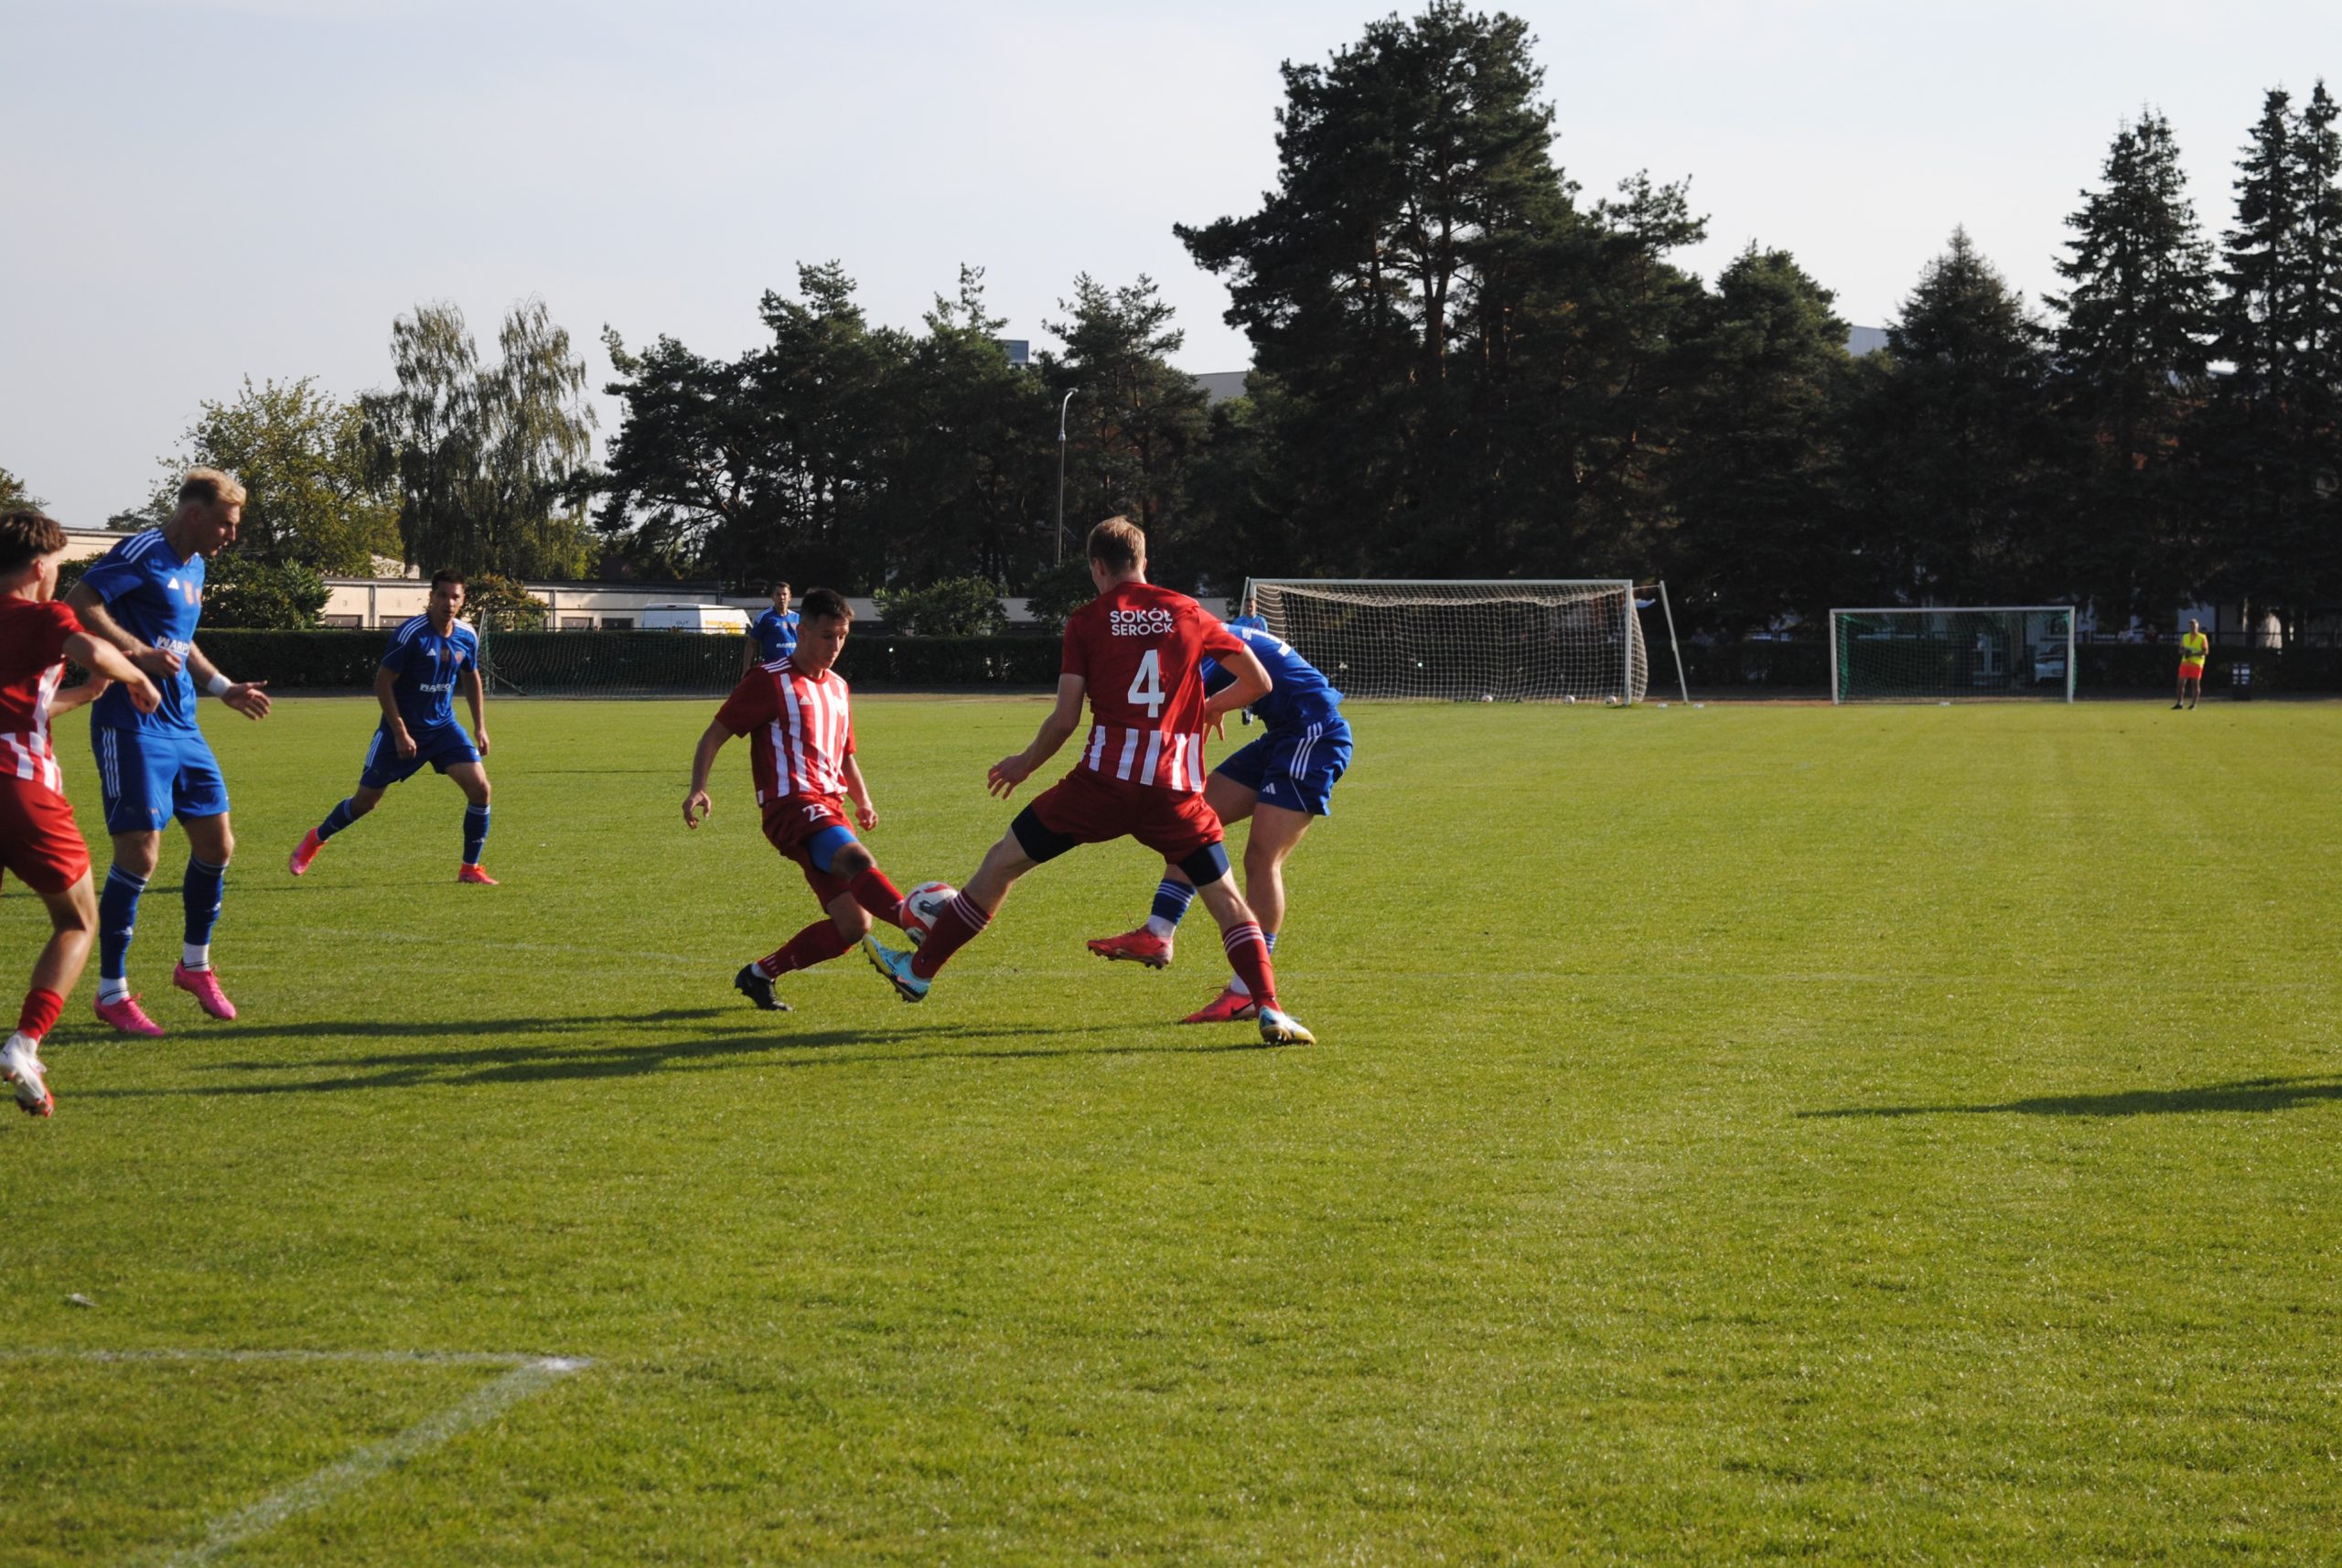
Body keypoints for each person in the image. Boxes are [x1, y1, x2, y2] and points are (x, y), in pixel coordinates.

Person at [861, 518, 1316, 1047]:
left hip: (1100, 787)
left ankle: (919, 970)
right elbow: (1258, 681)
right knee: (1227, 899)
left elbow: (1064, 719)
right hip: (1173, 792)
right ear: (1144, 562)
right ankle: (1269, 1008)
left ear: (1097, 567)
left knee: (1002, 862)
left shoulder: (1087, 621)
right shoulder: (1189, 612)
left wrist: (1024, 764)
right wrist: (1210, 708)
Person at [65, 469, 272, 1037]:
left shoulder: (195, 565)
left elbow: (182, 642)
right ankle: (112, 993)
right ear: (195, 514)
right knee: (139, 856)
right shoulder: (142, 552)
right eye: (226, 524)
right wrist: (136, 654)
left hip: (184, 725)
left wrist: (223, 687)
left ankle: (194, 966)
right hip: (130, 723)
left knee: (217, 843)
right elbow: (79, 603)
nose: (232, 536)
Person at [1086, 601, 1351, 1024]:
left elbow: (1180, 714)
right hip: (1283, 736)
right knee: (1192, 822)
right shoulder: (1210, 634)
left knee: (1261, 859)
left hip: (1313, 736)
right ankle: (1158, 933)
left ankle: (1247, 992)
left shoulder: (1196, 643)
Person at [0, 512, 167, 1114]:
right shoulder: (43, 615)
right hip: (19, 787)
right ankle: (24, 1045)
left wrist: (88, 693)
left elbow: (23, 704)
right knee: (76, 922)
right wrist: (137, 674)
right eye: (57, 567)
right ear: (38, 568)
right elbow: (92, 647)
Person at [684, 587, 912, 1011]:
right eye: (827, 636)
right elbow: (714, 734)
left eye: (842, 636)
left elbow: (844, 754)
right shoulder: (768, 680)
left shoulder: (839, 688)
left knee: (853, 924)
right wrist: (699, 786)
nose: (835, 646)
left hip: (830, 807)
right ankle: (913, 921)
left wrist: (863, 800)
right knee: (858, 860)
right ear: (802, 632)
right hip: (790, 806)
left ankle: (759, 974)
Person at [288, 570, 496, 884]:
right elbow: (382, 682)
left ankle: (470, 868)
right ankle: (316, 838)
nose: (448, 602)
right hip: (401, 731)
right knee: (365, 803)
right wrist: (400, 732)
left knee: (480, 789)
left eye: (455, 597)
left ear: (463, 599)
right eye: (442, 595)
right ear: (431, 597)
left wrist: (480, 726)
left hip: (443, 728)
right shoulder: (411, 634)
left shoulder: (467, 635)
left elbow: (471, 675)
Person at [743, 581, 798, 677]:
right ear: (772, 597)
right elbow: (751, 644)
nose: (782, 597)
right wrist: (746, 670)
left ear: (790, 597)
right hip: (773, 671)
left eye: (784, 594)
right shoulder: (765, 617)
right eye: (778, 594)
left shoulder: (797, 618)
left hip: (794, 670)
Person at [2175, 617, 2208, 709]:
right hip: (2185, 662)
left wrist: (2193, 654)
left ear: (2198, 626)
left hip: (2197, 663)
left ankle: (2193, 704)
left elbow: (2206, 651)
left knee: (2195, 684)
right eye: (2191, 625)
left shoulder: (2202, 637)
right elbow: (2180, 650)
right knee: (2180, 684)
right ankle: (2179, 703)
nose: (2192, 627)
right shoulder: (2185, 637)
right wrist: (2185, 652)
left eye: (2194, 625)